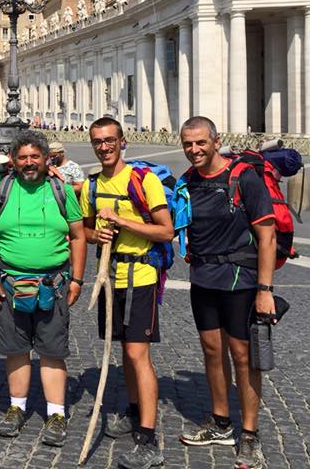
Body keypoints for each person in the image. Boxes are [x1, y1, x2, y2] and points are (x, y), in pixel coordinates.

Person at [0, 130, 88, 447]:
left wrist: (77, 279)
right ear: (13, 161)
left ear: (46, 159)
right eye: (22, 157)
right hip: (9, 282)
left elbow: (79, 236)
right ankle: (16, 407)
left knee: (52, 350)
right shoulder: (2, 189)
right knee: (16, 348)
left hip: (54, 282)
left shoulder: (61, 190)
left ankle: (55, 413)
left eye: (34, 157)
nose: (28, 162)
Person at [177, 117, 276, 469]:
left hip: (241, 279)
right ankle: (221, 422)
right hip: (202, 276)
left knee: (242, 354)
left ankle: (249, 434)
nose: (194, 150)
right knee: (211, 349)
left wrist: (265, 289)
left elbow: (267, 236)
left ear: (216, 141)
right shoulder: (186, 181)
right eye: (188, 143)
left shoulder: (243, 178)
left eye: (201, 142)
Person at [82, 118, 173, 468]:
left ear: (122, 142)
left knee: (138, 354)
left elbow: (165, 232)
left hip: (141, 275)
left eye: (109, 140)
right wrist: (97, 236)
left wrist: (123, 223)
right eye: (97, 142)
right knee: (123, 350)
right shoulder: (91, 186)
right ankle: (135, 411)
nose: (103, 147)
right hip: (109, 276)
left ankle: (149, 438)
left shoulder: (144, 180)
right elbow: (86, 231)